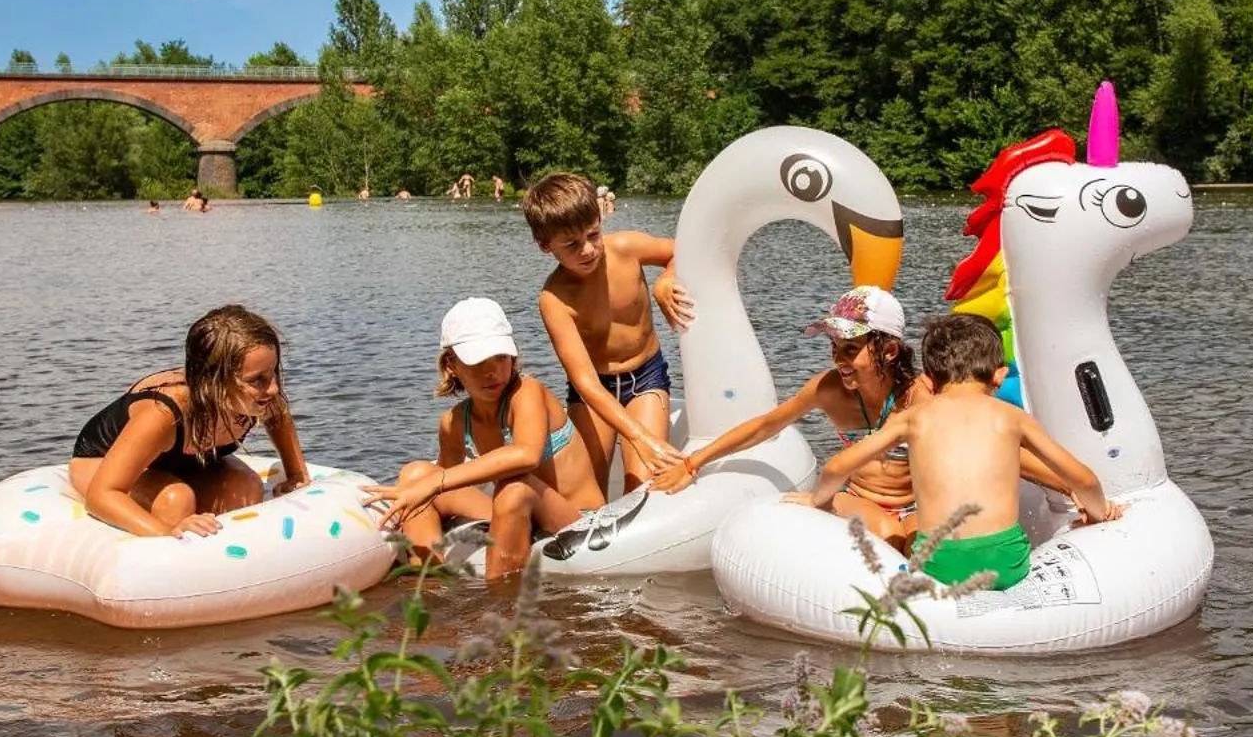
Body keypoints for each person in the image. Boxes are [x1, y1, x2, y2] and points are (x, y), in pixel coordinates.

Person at [788, 314, 1121, 592]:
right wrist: (1097, 514)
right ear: (1000, 375)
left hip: (939, 566)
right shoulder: (1012, 418)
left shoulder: (914, 418)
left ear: (930, 380)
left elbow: (837, 467)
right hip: (1007, 565)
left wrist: (817, 500)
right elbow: (1083, 479)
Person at [654, 287, 922, 547]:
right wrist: (692, 463)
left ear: (889, 351)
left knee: (917, 546)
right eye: (834, 346)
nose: (838, 359)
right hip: (856, 497)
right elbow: (765, 426)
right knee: (889, 533)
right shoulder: (829, 390)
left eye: (850, 349)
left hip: (913, 505)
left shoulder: (920, 396)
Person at [364, 299, 591, 579]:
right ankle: (429, 583)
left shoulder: (528, 392)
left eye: (500, 357)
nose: (491, 371)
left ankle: (500, 601)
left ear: (513, 356)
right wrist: (416, 494)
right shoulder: (454, 422)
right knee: (416, 474)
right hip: (516, 516)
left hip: (575, 519)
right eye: (477, 362)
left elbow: (527, 455)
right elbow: (445, 484)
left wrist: (435, 481)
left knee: (514, 487)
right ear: (451, 365)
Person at [69, 305, 309, 538]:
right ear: (214, 382)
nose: (273, 388)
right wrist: (167, 533)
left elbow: (278, 415)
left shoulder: (258, 397)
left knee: (245, 487)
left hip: (178, 463)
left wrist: (296, 473)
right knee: (176, 501)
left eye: (274, 372)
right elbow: (102, 495)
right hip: (101, 462)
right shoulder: (163, 413)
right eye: (257, 380)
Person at [524, 171, 693, 494]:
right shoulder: (554, 299)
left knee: (644, 485)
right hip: (593, 390)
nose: (588, 249)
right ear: (545, 245)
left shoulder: (626, 248)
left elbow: (680, 251)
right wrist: (637, 435)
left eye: (593, 234)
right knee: (586, 491)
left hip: (645, 379)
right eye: (572, 244)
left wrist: (666, 279)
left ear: (600, 221)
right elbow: (584, 381)